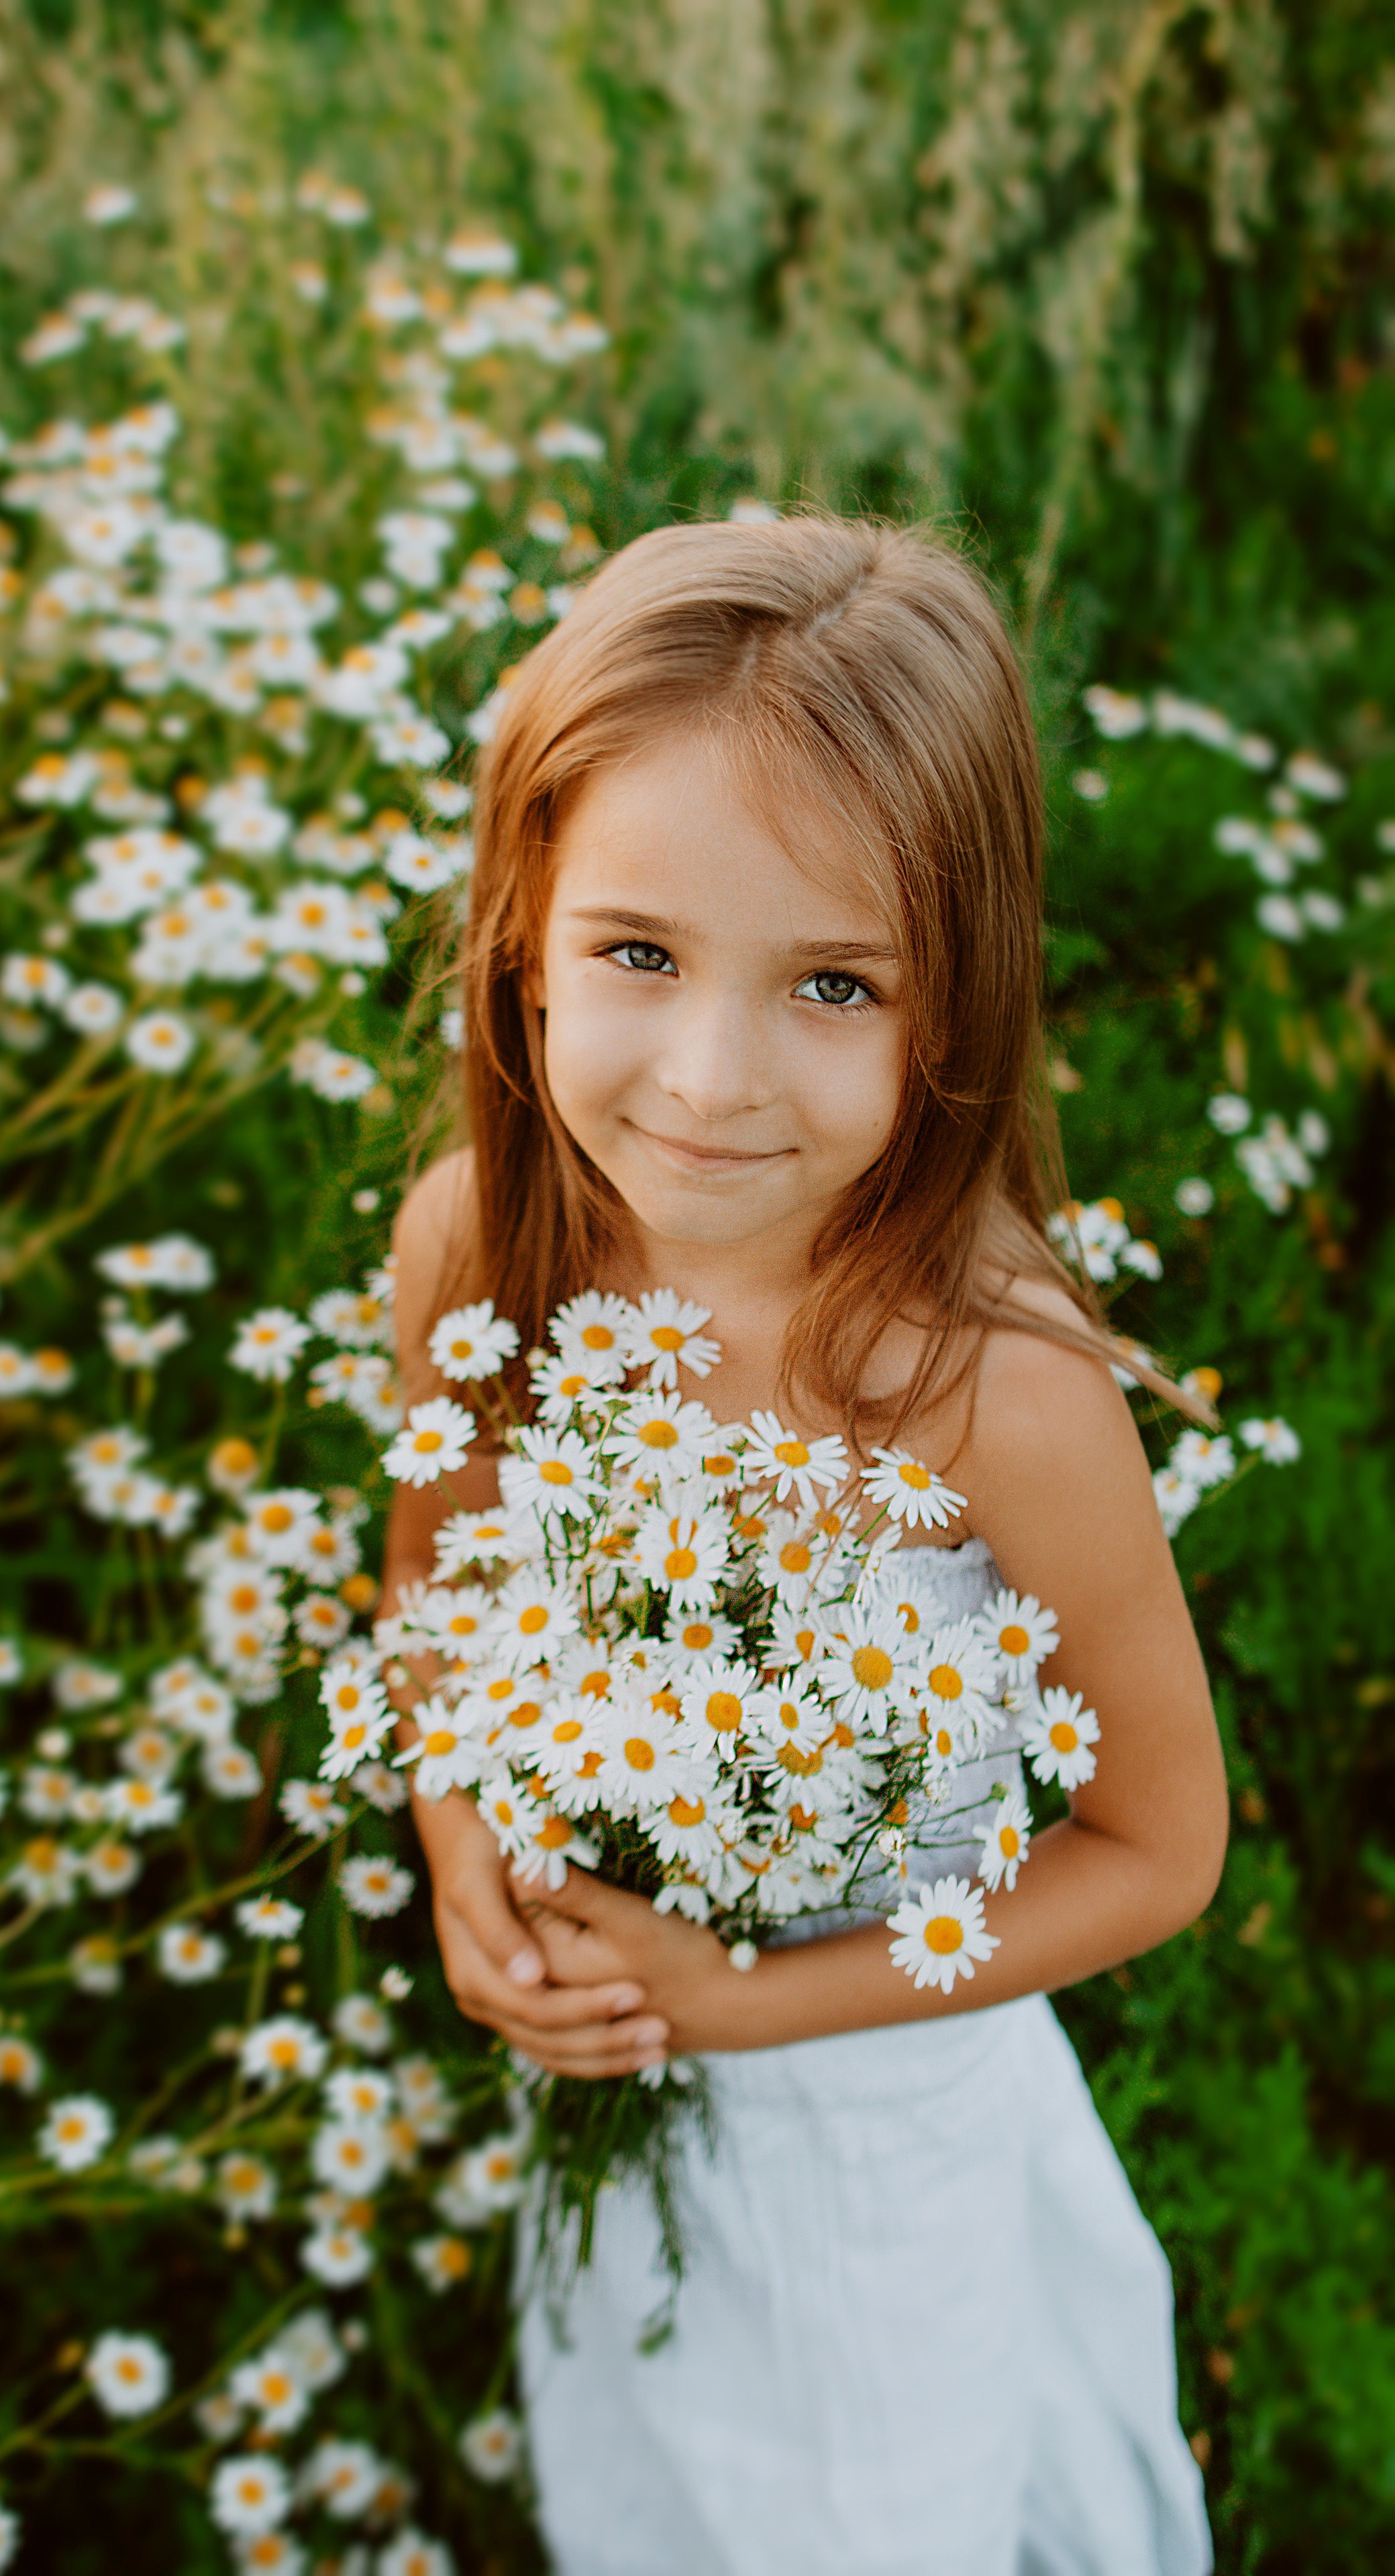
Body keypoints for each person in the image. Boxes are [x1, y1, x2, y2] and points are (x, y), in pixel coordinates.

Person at [380, 515, 1223, 2575]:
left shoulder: (991, 1390)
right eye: (639, 953)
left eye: (833, 982)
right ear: (524, 925)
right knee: (656, 2483)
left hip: (885, 2150)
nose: (709, 1081)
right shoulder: (481, 1254)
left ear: (955, 1006)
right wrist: (454, 1830)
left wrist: (745, 2002)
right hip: (612, 2089)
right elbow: (434, 1587)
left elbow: (1161, 1850)